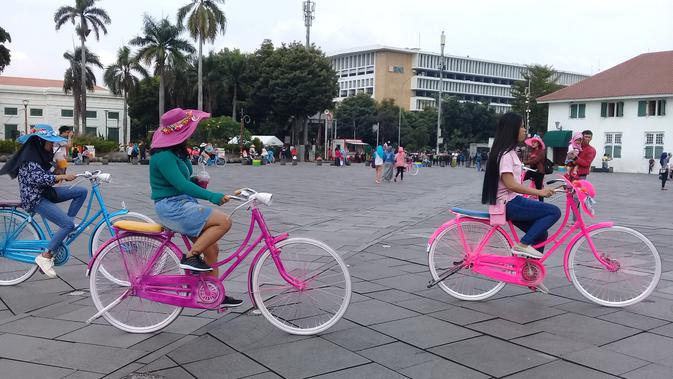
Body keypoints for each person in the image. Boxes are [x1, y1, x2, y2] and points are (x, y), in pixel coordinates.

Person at [149, 108, 242, 307]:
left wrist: (195, 181)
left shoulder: (175, 152)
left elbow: (181, 182)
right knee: (224, 221)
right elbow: (181, 186)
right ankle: (190, 257)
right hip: (173, 207)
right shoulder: (164, 156)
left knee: (212, 250)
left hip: (183, 202)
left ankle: (213, 293)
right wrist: (212, 196)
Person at [0, 125, 87, 278]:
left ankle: (69, 225)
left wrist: (59, 170)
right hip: (35, 198)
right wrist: (61, 177)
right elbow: (37, 179)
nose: (52, 145)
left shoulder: (39, 156)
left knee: (81, 192)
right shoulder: (29, 159)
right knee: (66, 224)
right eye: (50, 142)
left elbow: (46, 179)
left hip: (45, 192)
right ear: (40, 141)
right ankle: (45, 256)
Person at [482, 112, 560, 259]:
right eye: (522, 127)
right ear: (512, 129)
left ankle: (530, 273)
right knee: (554, 211)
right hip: (509, 202)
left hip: (511, 201)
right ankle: (522, 245)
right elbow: (511, 185)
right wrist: (540, 192)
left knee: (540, 234)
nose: (525, 130)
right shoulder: (505, 154)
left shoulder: (509, 152)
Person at [523, 135, 546, 202]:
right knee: (521, 178)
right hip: (532, 170)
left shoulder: (541, 151)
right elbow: (531, 161)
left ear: (538, 143)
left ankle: (541, 204)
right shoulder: (532, 151)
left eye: (534, 142)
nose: (533, 143)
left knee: (539, 189)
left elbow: (535, 161)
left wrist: (524, 163)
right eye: (532, 142)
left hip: (539, 172)